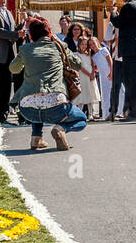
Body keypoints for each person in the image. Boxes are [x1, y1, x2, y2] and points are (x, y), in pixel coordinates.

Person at [10, 16, 87, 150]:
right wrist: (61, 45)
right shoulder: (59, 47)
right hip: (56, 108)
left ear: (32, 35)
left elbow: (13, 69)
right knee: (82, 119)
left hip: (28, 110)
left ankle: (36, 138)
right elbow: (78, 65)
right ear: (49, 33)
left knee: (36, 97)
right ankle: (61, 128)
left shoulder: (25, 49)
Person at [74, 36, 100, 118]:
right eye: (82, 44)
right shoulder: (77, 55)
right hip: (83, 76)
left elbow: (92, 65)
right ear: (79, 45)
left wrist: (92, 74)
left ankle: (91, 114)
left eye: (86, 44)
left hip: (91, 76)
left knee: (91, 94)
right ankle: (80, 113)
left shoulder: (89, 54)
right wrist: (88, 74)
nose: (84, 46)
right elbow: (80, 67)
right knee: (82, 95)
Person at [93, 34, 114, 120]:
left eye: (93, 43)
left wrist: (111, 73)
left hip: (109, 74)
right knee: (104, 95)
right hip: (102, 77)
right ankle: (106, 114)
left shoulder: (103, 50)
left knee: (112, 92)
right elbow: (97, 68)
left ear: (97, 42)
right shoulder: (94, 56)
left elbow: (110, 62)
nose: (92, 46)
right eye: (90, 44)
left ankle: (115, 112)